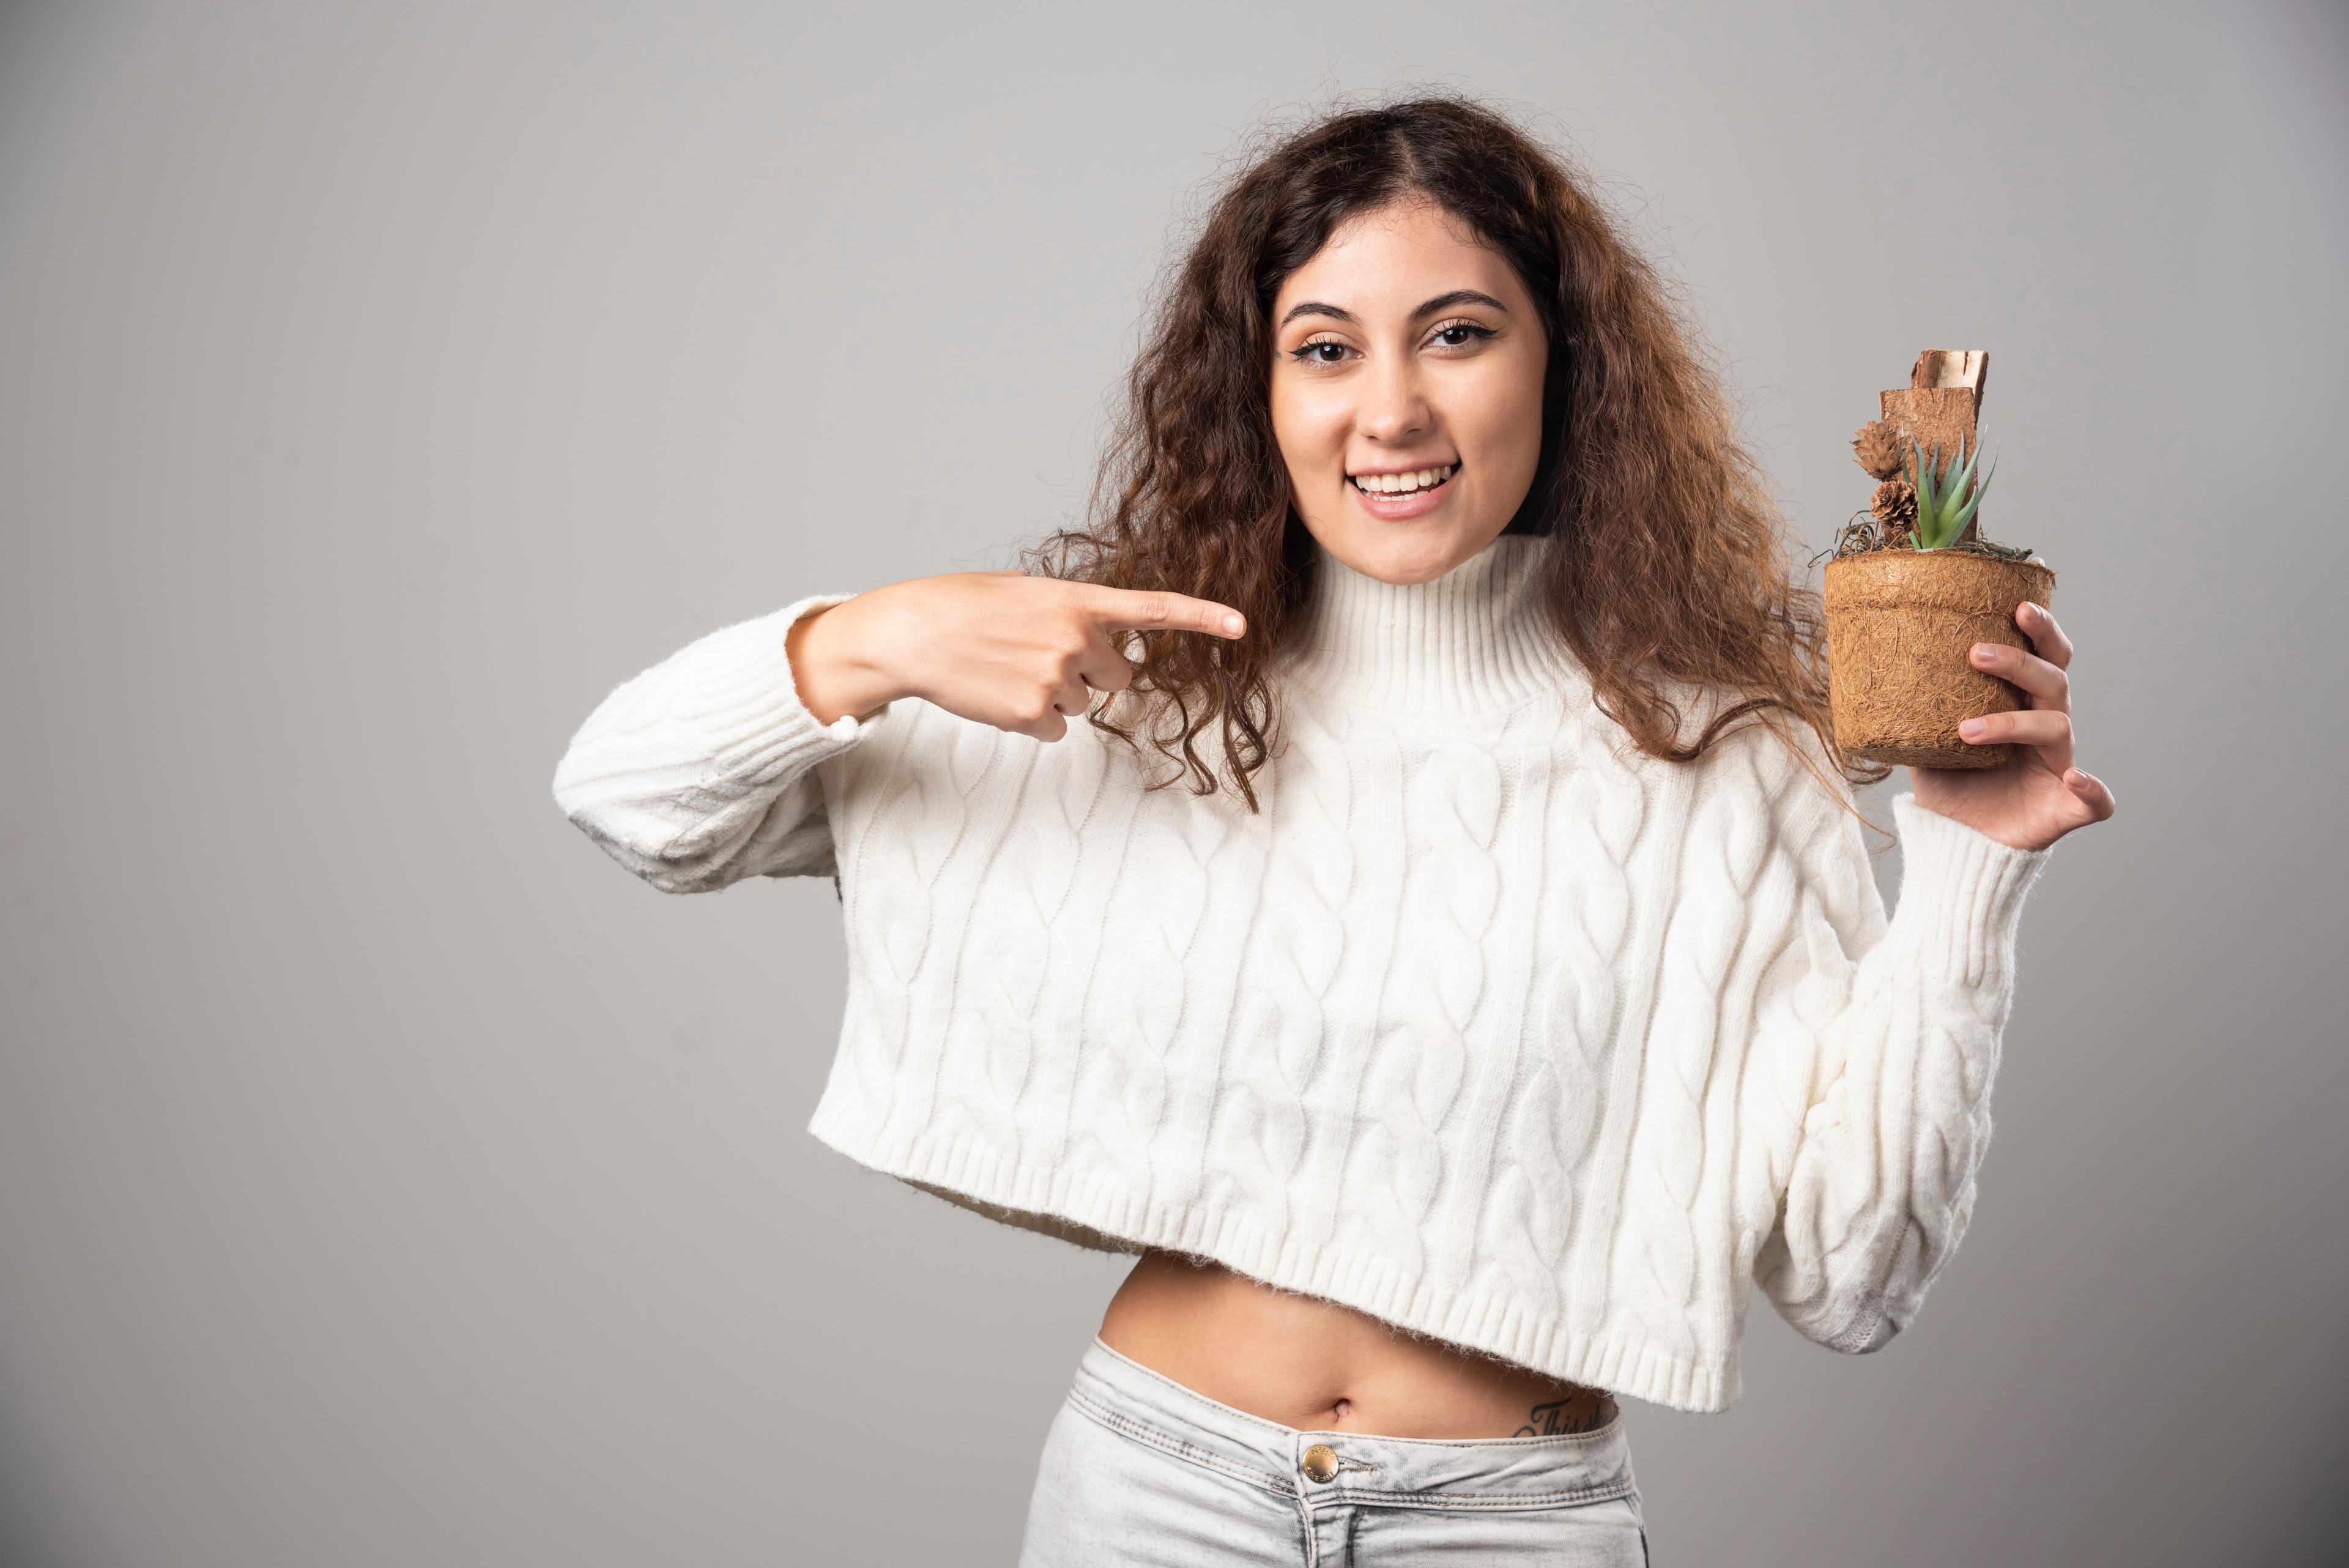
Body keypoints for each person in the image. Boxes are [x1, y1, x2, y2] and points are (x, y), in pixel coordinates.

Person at [551, 95, 2113, 1566]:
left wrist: (1968, 869)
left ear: (1560, 365)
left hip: (1515, 1522)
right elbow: (628, 795)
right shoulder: (1127, 688)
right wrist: (869, 636)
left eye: (1457, 333)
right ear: (1261, 389)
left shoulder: (1723, 762)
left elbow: (1853, 1278)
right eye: (1323, 347)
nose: (1391, 409)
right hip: (1156, 1495)